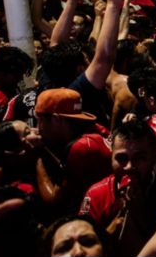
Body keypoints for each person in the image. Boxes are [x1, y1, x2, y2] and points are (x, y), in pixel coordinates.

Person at [79, 120, 156, 255]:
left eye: (139, 158)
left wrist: (140, 215)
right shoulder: (96, 194)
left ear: (154, 156)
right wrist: (114, 226)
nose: (129, 166)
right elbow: (83, 248)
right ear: (111, 157)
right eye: (121, 158)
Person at [35, 88, 112, 217]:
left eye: (40, 120)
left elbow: (55, 202)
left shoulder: (81, 148)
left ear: (56, 119)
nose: (38, 128)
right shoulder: (97, 130)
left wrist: (36, 157)